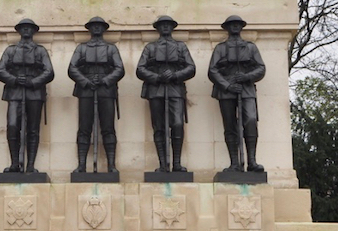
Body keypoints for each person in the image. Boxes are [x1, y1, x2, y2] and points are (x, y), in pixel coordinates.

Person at [136, 15, 196, 172]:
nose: (165, 27)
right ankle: (163, 163)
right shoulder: (150, 47)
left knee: (177, 124)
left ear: (172, 27)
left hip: (175, 89)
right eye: (162, 25)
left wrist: (175, 75)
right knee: (159, 127)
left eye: (168, 25)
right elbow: (140, 69)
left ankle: (176, 163)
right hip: (156, 90)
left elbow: (191, 67)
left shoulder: (180, 46)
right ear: (157, 28)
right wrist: (157, 77)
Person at [208, 15, 266, 172]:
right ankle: (235, 162)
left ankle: (252, 161)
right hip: (226, 91)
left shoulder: (250, 47)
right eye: (231, 24)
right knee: (230, 126)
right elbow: (212, 70)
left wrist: (247, 77)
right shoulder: (220, 48)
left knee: (251, 121)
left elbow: (261, 68)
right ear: (226, 28)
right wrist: (227, 85)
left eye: (237, 24)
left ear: (241, 27)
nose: (234, 27)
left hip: (246, 89)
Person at [0, 18, 54, 173]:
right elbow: (0, 70)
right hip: (15, 91)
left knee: (33, 129)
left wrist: (33, 82)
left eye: (29, 28)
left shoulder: (40, 50)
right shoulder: (10, 50)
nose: (26, 30)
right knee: (13, 126)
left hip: (34, 92)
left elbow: (49, 71)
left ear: (34, 31)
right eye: (23, 28)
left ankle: (30, 165)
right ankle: (15, 163)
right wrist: (14, 79)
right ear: (19, 31)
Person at [67, 17, 125, 173]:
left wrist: (105, 80)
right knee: (84, 128)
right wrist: (86, 81)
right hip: (86, 90)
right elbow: (72, 68)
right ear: (89, 29)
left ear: (104, 28)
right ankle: (81, 165)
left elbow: (119, 68)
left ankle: (111, 165)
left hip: (106, 90)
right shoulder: (82, 48)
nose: (97, 28)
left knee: (108, 127)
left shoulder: (111, 48)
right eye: (94, 26)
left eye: (100, 26)